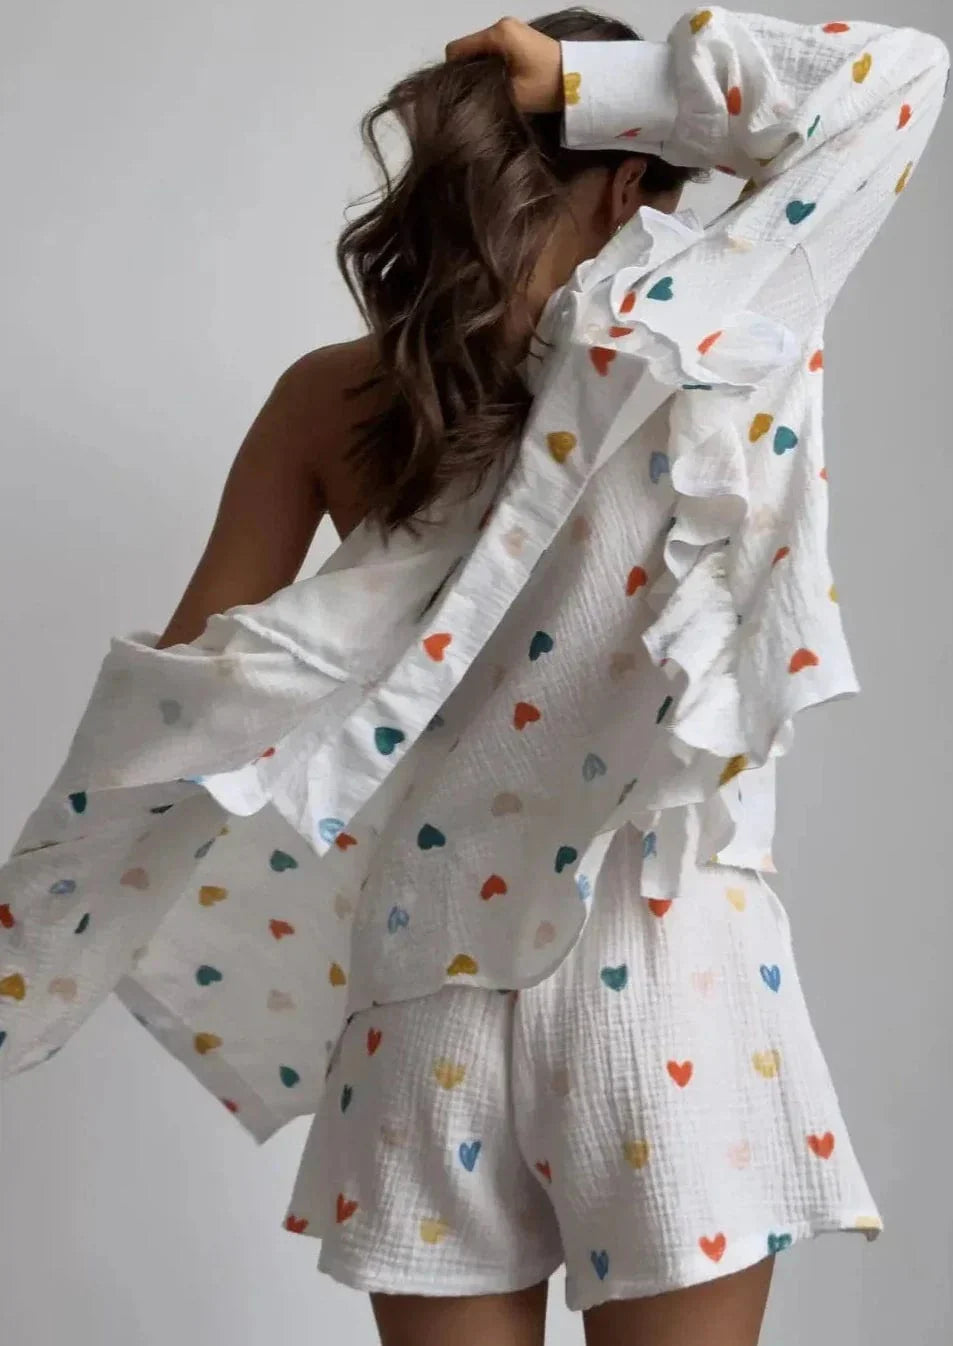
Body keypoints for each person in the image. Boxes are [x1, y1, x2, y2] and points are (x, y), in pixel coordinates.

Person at [0, 7, 948, 1346]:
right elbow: (897, 76)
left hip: (423, 979)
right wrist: (591, 83)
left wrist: (36, 934)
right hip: (663, 960)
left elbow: (184, 706)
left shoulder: (327, 400)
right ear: (634, 171)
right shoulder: (708, 340)